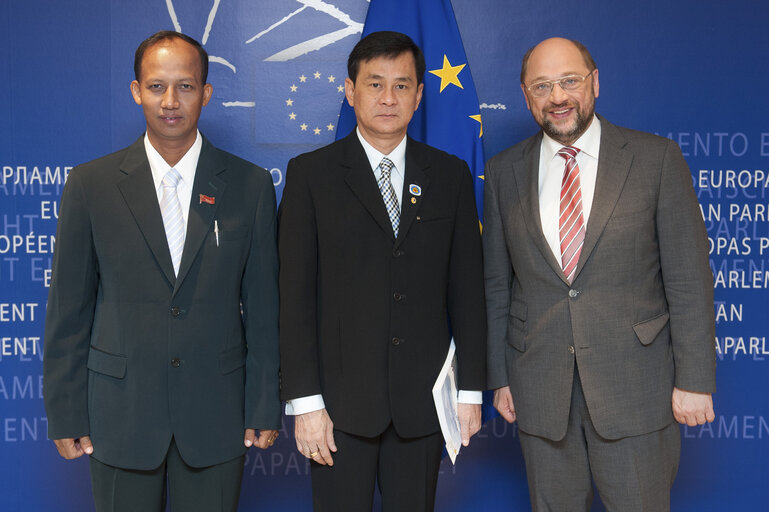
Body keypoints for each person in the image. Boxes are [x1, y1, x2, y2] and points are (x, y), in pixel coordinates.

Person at [42, 31, 280, 512]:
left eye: (186, 87)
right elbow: (69, 311)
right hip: (119, 416)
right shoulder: (90, 185)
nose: (170, 101)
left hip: (216, 414)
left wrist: (263, 404)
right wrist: (65, 412)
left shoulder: (250, 186)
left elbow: (263, 309)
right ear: (136, 91)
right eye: (156, 87)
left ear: (206, 93)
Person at [483, 37, 716, 511]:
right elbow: (497, 287)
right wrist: (501, 375)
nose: (558, 96)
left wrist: (695, 380)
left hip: (636, 388)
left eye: (569, 81)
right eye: (542, 85)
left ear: (594, 83)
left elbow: (689, 280)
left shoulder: (656, 160)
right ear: (527, 96)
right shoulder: (503, 172)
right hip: (541, 391)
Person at [278, 31, 486, 511]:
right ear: (350, 91)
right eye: (374, 84)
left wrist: (471, 389)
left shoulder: (449, 175)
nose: (388, 98)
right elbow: (294, 297)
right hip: (337, 409)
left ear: (418, 95)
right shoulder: (312, 175)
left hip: (423, 406)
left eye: (401, 85)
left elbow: (468, 291)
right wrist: (305, 403)